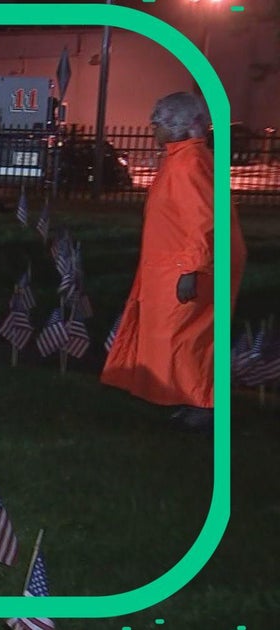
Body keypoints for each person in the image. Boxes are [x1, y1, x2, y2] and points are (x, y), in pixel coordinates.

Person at [101, 92, 247, 432]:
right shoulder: (185, 159)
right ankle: (193, 400)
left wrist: (190, 270)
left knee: (188, 338)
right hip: (182, 264)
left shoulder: (189, 164)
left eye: (160, 122)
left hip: (191, 267)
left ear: (179, 127)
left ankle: (204, 404)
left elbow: (203, 220)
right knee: (182, 338)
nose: (153, 127)